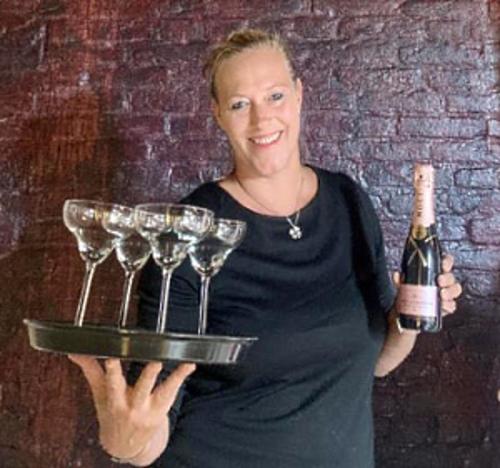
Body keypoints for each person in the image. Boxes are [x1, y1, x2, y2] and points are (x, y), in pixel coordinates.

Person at [69, 29, 463, 467]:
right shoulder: (188, 232)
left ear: (299, 95)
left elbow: (376, 362)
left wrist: (410, 314)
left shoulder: (347, 201)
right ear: (218, 114)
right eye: (240, 104)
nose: (261, 120)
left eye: (275, 96)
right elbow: (152, 418)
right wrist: (126, 440)